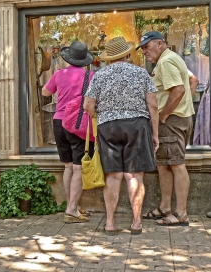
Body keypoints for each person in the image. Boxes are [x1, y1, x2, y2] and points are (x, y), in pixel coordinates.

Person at [83, 37, 159, 235]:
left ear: (109, 58)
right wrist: (155, 133)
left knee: (113, 175)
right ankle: (136, 222)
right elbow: (153, 105)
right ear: (127, 54)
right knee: (134, 175)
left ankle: (109, 223)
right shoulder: (141, 73)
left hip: (108, 126)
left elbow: (88, 106)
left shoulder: (99, 75)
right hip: (137, 125)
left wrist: (101, 114)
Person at [137, 31, 195, 226]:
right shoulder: (172, 58)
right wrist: (186, 105)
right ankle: (165, 207)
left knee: (176, 164)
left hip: (172, 121)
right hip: (179, 118)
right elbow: (192, 81)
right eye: (142, 48)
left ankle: (180, 214)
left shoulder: (166, 62)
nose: (144, 51)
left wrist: (164, 115)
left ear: (160, 44)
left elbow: (178, 90)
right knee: (164, 164)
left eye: (147, 46)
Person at [42, 41, 95, 223]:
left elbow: (45, 93)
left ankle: (71, 205)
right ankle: (72, 208)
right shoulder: (90, 76)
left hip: (58, 121)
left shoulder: (58, 74)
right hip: (78, 123)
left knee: (68, 166)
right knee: (79, 166)